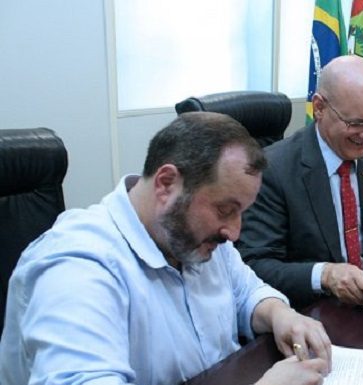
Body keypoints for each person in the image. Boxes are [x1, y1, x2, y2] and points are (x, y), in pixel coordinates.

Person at [0, 112, 331, 385]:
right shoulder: (76, 266)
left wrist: (280, 314)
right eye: (225, 209)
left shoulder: (195, 237)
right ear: (166, 183)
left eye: (241, 212)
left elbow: (245, 290)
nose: (234, 231)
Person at [237, 56, 363, 309]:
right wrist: (324, 275)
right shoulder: (274, 170)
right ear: (319, 108)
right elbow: (255, 265)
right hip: (311, 312)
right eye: (356, 123)